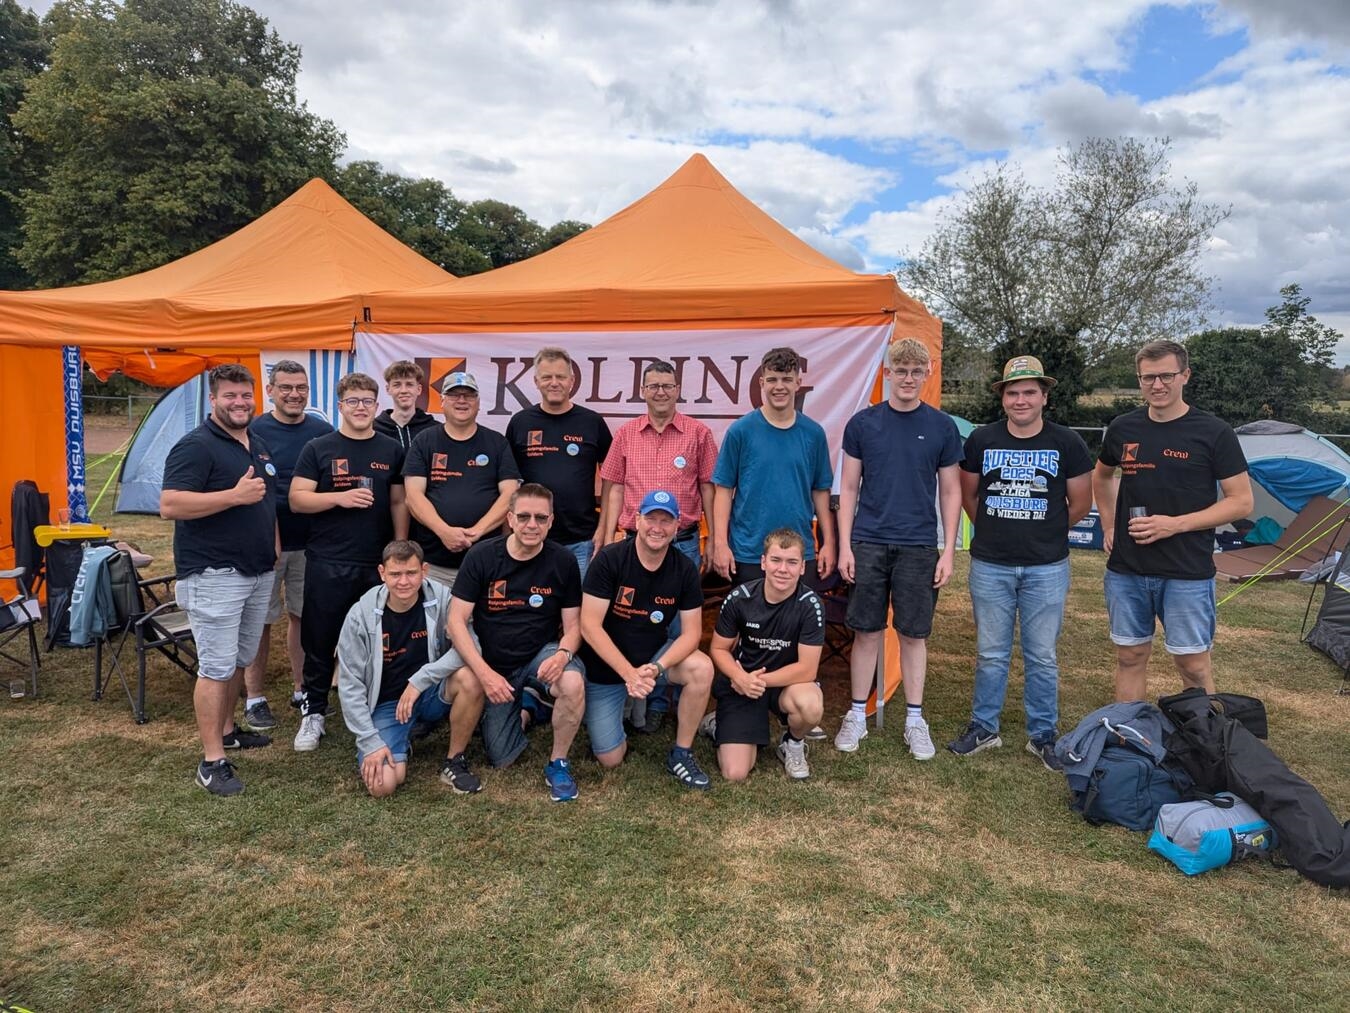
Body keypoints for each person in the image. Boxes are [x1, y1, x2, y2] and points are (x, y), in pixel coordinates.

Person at [947, 356, 1093, 770]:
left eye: (1029, 391)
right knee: (991, 652)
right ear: (1003, 398)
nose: (1021, 399)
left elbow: (1081, 502)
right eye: (1013, 392)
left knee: (1042, 654)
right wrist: (995, 530)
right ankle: (984, 727)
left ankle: (1043, 734)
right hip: (991, 564)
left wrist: (1045, 529)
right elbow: (970, 497)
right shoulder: (981, 440)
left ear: (1044, 396)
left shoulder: (1067, 442)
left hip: (1046, 565)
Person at [1092, 339, 1253, 702]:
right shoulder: (1122, 427)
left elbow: (1241, 502)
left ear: (1185, 375)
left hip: (1186, 570)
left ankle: (1204, 747)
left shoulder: (1214, 432)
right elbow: (1101, 476)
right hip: (1127, 569)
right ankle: (1130, 740)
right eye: (1148, 377)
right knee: (1130, 656)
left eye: (1166, 375)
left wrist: (1174, 525)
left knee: (1192, 663)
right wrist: (1107, 524)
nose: (1157, 385)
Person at [833, 337, 962, 760]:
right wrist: (846, 546)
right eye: (899, 370)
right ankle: (855, 714)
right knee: (866, 631)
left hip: (920, 545)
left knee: (913, 634)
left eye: (915, 371)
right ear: (886, 374)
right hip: (868, 542)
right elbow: (848, 488)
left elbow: (950, 492)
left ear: (927, 375)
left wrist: (948, 551)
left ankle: (914, 718)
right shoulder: (863, 424)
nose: (907, 378)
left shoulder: (942, 427)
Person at [160, 364, 277, 797]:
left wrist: (274, 543)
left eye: (245, 395)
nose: (240, 403)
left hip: (256, 569)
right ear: (213, 400)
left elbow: (267, 502)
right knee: (215, 666)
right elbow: (170, 504)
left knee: (239, 659)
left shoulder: (256, 443)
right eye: (230, 396)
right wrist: (232, 496)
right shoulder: (196, 446)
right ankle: (212, 762)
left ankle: (228, 731)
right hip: (214, 574)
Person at [289, 372, 409, 752]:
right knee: (320, 638)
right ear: (340, 406)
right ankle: (314, 712)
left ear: (377, 406)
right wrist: (337, 498)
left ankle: (378, 707)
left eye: (367, 402)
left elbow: (398, 502)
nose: (361, 408)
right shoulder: (319, 447)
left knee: (379, 640)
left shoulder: (390, 449)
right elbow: (297, 499)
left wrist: (400, 546)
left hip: (375, 561)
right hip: (328, 559)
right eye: (353, 401)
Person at [447, 483, 587, 802]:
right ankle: (530, 706)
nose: (532, 525)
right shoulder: (482, 555)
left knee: (572, 681)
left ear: (551, 521)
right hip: (496, 665)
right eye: (524, 517)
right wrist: (484, 675)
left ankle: (558, 763)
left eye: (540, 518)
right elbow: (455, 622)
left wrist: (564, 654)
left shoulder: (563, 560)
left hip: (542, 655)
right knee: (502, 757)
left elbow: (574, 626)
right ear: (509, 518)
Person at [599, 359, 718, 731]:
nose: (660, 392)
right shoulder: (626, 434)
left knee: (677, 629)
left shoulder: (698, 433)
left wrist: (713, 537)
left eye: (667, 385)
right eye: (653, 386)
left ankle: (667, 703)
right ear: (643, 390)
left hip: (681, 544)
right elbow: (614, 487)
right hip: (632, 544)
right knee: (629, 622)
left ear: (678, 389)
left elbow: (708, 488)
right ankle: (632, 696)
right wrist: (606, 536)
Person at [578, 489, 714, 790]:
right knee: (610, 758)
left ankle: (681, 753)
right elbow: (588, 625)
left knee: (702, 668)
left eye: (666, 521)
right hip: (608, 671)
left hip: (652, 662)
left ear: (678, 526)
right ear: (636, 520)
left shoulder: (684, 568)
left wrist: (656, 668)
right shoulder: (610, 560)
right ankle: (623, 706)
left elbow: (692, 633)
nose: (657, 527)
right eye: (651, 518)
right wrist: (629, 675)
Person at [336, 540, 485, 797]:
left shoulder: (442, 597)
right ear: (382, 573)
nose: (403, 581)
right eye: (395, 574)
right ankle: (401, 739)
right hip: (388, 705)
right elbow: (350, 686)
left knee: (470, 678)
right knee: (383, 785)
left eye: (411, 573)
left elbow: (471, 646)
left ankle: (454, 761)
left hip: (428, 692)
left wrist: (420, 680)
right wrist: (369, 741)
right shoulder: (360, 614)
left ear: (424, 570)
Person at [241, 359, 332, 729]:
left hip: (311, 543)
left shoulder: (321, 430)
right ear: (271, 391)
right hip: (265, 543)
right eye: (286, 388)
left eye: (301, 388)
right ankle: (254, 697)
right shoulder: (254, 430)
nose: (294, 394)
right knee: (259, 619)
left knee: (302, 616)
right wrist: (270, 535)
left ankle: (301, 688)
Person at [706, 529, 826, 781]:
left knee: (810, 706)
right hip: (741, 685)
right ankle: (720, 723)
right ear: (763, 562)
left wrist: (757, 681)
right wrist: (739, 677)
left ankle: (792, 742)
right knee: (735, 773)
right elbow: (717, 649)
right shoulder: (740, 598)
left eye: (792, 562)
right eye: (776, 560)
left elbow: (807, 669)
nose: (783, 569)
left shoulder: (810, 604)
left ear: (803, 567)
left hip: (784, 685)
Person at [711, 347, 835, 588]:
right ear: (762, 383)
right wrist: (720, 544)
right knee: (750, 625)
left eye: (787, 379)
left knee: (795, 624)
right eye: (772, 380)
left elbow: (821, 491)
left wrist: (828, 542)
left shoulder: (814, 433)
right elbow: (723, 490)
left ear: (798, 383)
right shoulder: (740, 431)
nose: (780, 386)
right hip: (748, 551)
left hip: (799, 553)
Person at [404, 371, 520, 588]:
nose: (461, 400)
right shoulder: (424, 441)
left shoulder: (497, 443)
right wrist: (444, 531)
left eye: (468, 395)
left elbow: (510, 494)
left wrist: (476, 532)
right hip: (434, 567)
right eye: (454, 395)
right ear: (442, 402)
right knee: (432, 622)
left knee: (482, 623)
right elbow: (413, 496)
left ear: (478, 402)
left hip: (486, 563)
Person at [506, 347, 613, 577]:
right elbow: (508, 485)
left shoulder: (592, 422)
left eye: (560, 377)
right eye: (547, 377)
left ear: (572, 381)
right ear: (536, 381)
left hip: (581, 541)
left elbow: (612, 479)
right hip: (530, 538)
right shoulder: (520, 423)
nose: (554, 383)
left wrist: (604, 527)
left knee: (576, 611)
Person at [373, 359, 439, 449]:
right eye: (397, 385)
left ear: (419, 389)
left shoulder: (434, 429)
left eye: (409, 384)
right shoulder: (374, 428)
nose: (403, 390)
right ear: (388, 389)